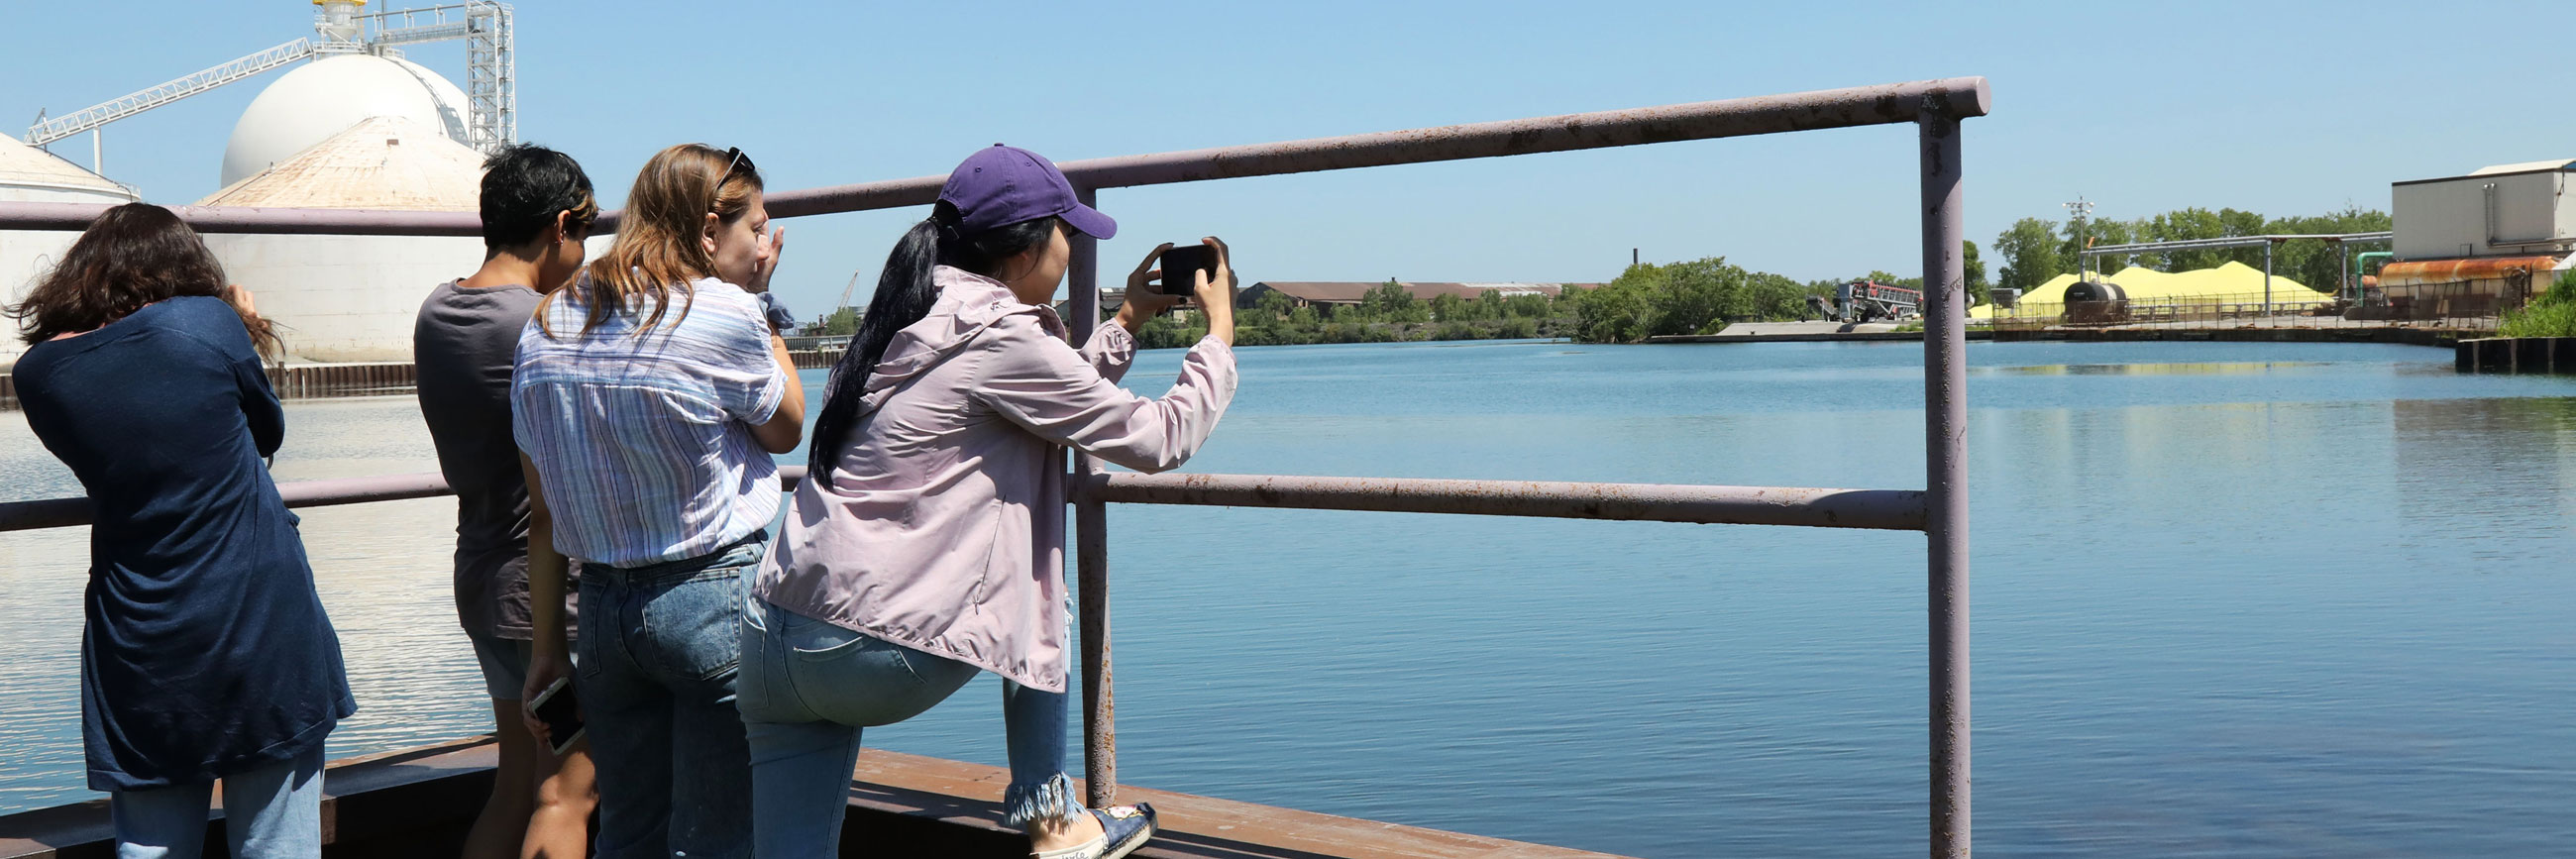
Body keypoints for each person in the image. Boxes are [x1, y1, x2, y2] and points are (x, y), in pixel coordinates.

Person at [742, 145, 1240, 859]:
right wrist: (1218, 335)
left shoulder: (907, 312)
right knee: (1037, 582)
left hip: (774, 638)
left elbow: (1040, 395)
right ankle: (1053, 816)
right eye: (1067, 231)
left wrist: (1127, 318)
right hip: (871, 654)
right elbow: (1158, 436)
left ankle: (1054, 813)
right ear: (1027, 245)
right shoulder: (1000, 332)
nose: (1072, 247)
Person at [6, 203, 354, 859]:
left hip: (138, 635)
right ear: (182, 268)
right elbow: (265, 431)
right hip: (260, 623)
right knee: (276, 842)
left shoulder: (39, 375)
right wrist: (244, 325)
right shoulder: (205, 321)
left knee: (149, 846)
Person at [510, 143, 805, 859]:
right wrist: (759, 300)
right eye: (755, 228)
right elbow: (789, 424)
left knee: (629, 833)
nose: (763, 243)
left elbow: (543, 510)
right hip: (711, 603)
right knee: (720, 839)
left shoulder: (545, 324)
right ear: (709, 231)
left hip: (605, 615)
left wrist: (547, 648)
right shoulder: (722, 311)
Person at [413, 143, 600, 859]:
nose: (585, 253)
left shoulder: (440, 309)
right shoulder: (543, 326)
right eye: (584, 234)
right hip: (551, 602)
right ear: (560, 224)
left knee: (517, 783)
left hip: (484, 578)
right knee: (566, 795)